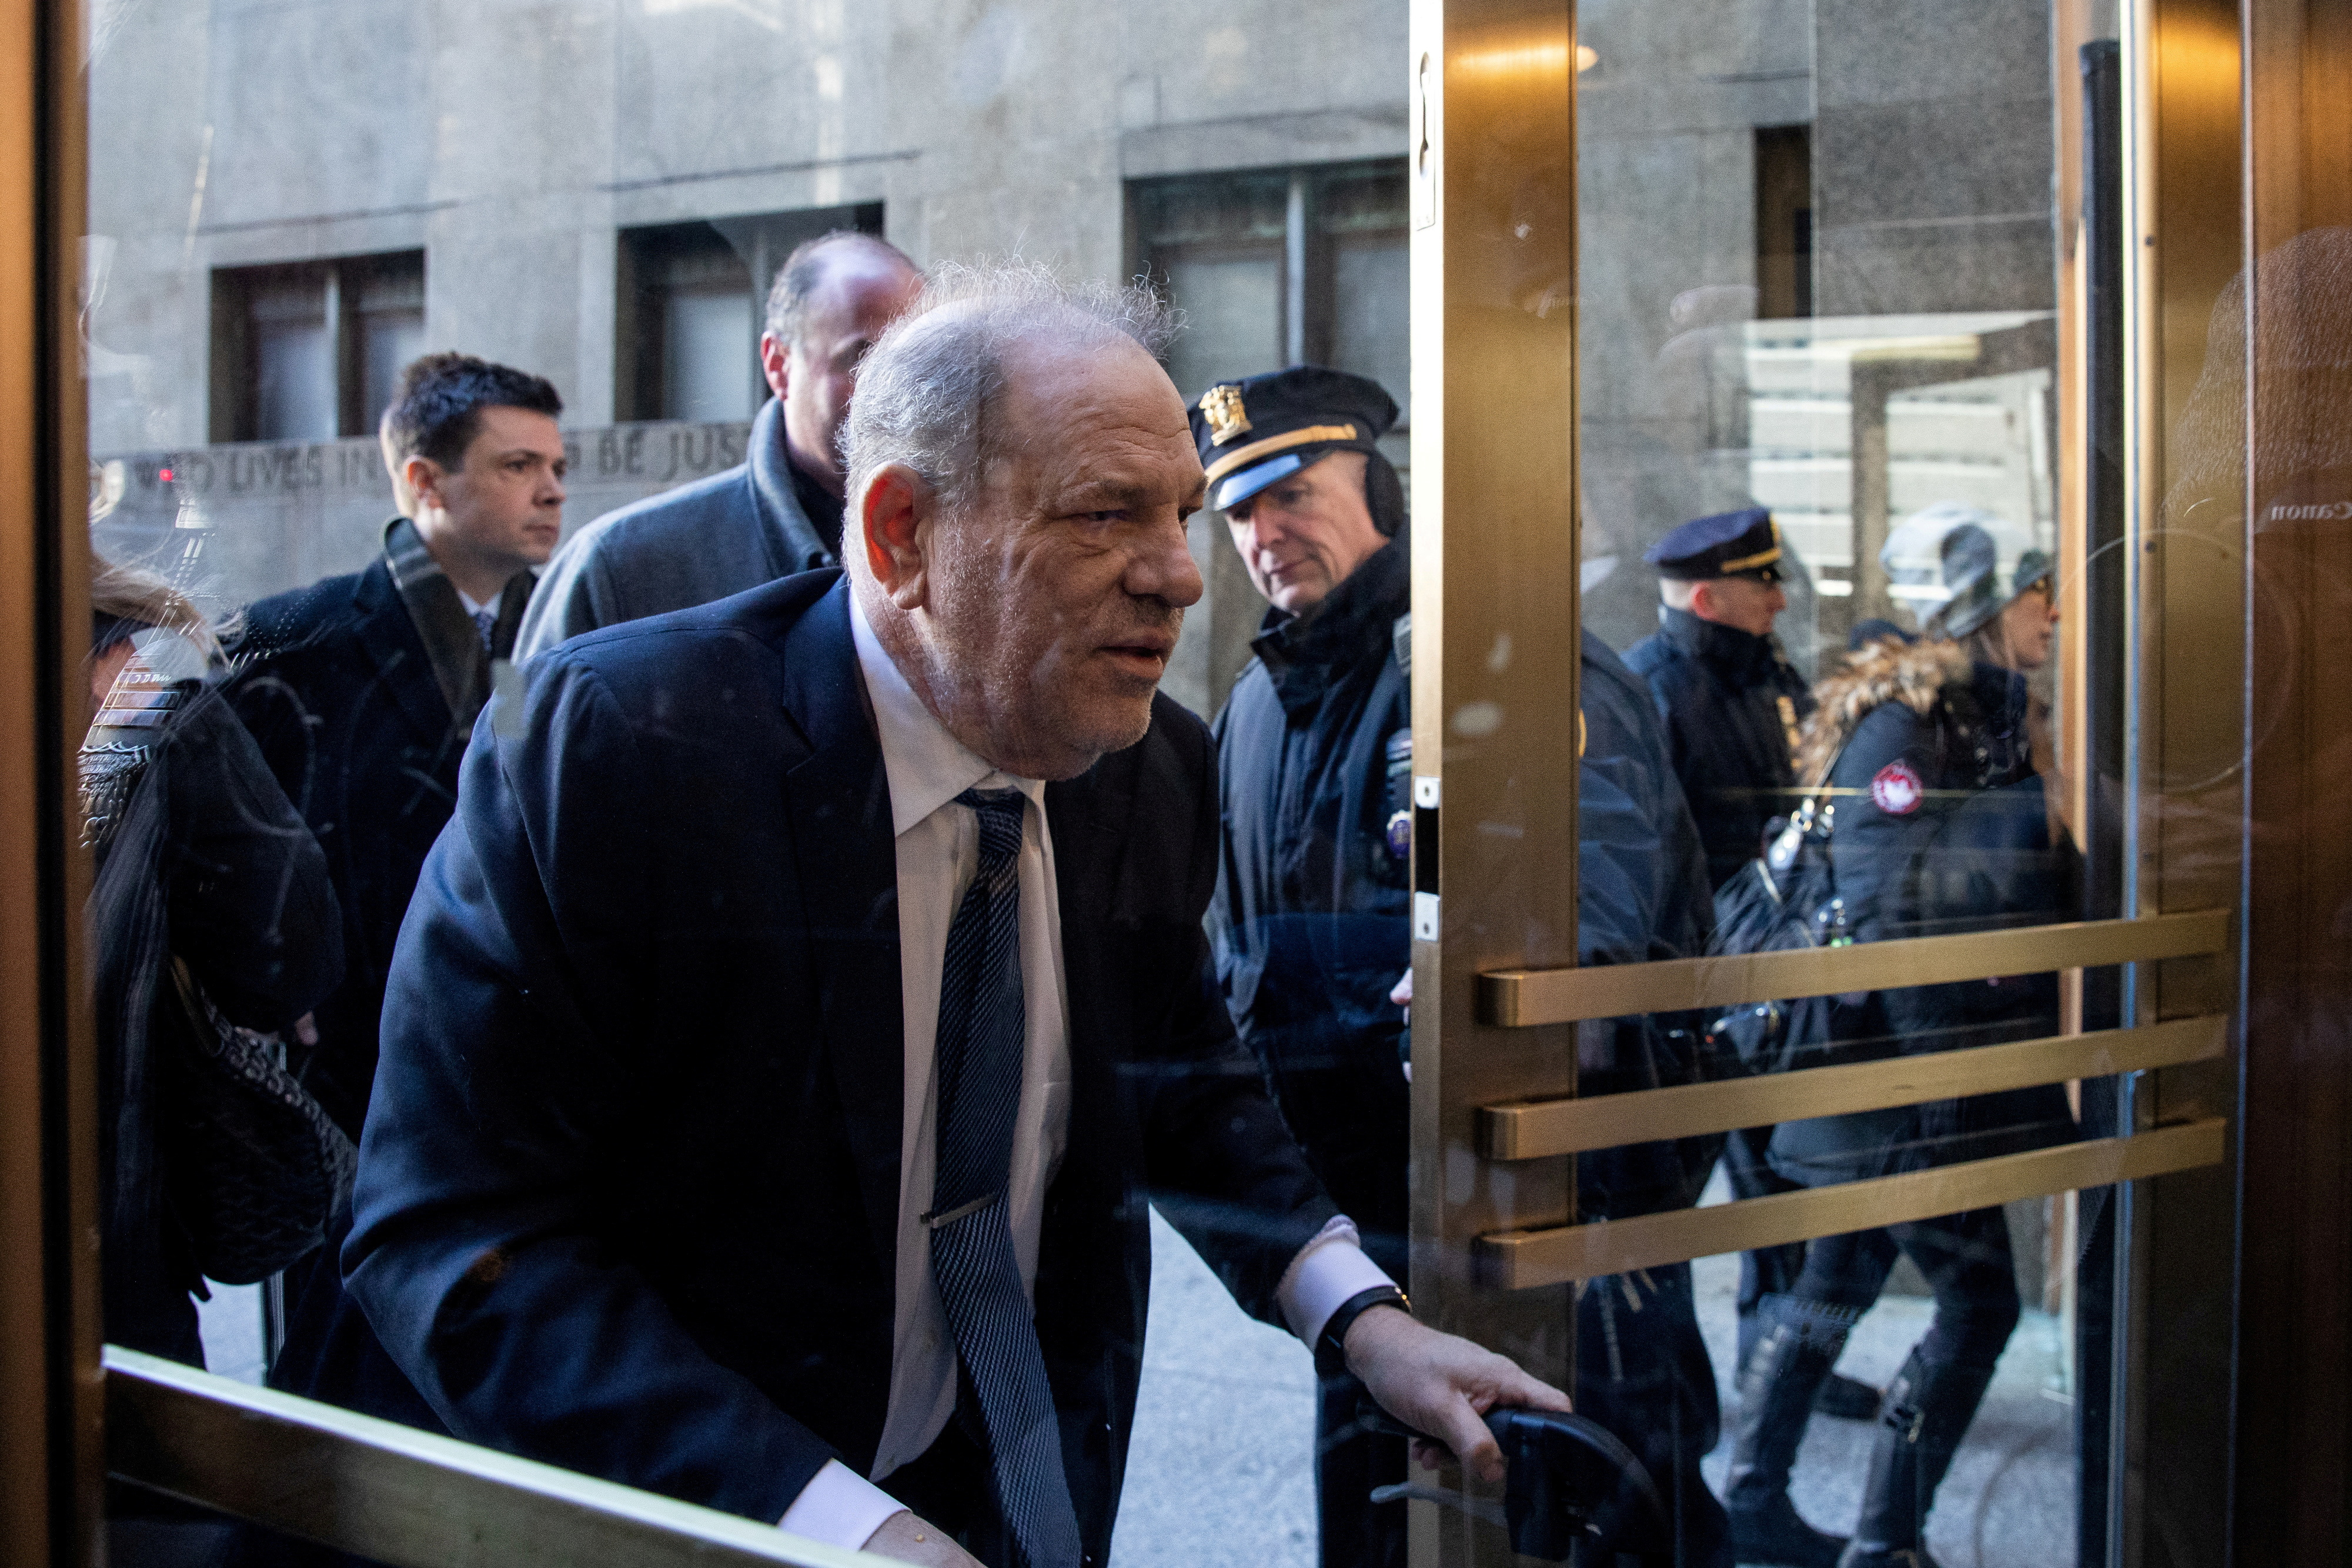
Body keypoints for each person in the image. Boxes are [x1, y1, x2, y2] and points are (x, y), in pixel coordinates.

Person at [343, 264, 1569, 1568]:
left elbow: (1179, 1080)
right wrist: (838, 1530)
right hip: (717, 1512)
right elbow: (452, 1231)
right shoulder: (615, 749)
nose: (1179, 578)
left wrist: (1359, 1316)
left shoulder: (1148, 769)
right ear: (899, 536)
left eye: (1183, 513)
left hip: (1023, 1485)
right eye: (1104, 512)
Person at [225, 352, 567, 1429]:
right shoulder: (293, 637)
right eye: (518, 465)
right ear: (424, 482)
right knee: (334, 1379)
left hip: (495, 1065)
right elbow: (221, 862)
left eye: (557, 464)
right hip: (341, 1076)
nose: (553, 489)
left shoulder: (535, 641)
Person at [1729, 517, 2076, 1568]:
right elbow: (1896, 917)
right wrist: (1945, 1096)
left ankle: (1758, 1497)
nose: (2053, 614)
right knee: (1978, 1306)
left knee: (1834, 1279)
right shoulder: (1903, 730)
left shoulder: (1971, 712)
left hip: (1886, 1083)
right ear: (1978, 609)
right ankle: (1881, 1539)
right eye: (2034, 594)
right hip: (1892, 1081)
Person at [1197, 365, 1413, 1568]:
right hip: (1317, 1192)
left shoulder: (1458, 658)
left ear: (1371, 485)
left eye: (1290, 493)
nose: (1263, 535)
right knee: (1360, 1478)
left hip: (1448, 1186)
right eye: (1236, 514)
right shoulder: (1255, 697)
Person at [1621, 509, 1883, 1435]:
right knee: (1694, 1200)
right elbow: (1646, 858)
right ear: (1706, 596)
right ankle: (1682, 1396)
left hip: (1783, 971)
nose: (1780, 598)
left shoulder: (1769, 673)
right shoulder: (1650, 689)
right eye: (1763, 583)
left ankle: (1779, 1364)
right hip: (1703, 987)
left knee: (1781, 1191)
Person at [515, 230, 923, 659]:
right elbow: (512, 719)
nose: (894, 390)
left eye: (916, 360)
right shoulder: (616, 567)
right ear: (778, 364)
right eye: (860, 358)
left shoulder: (970, 543)